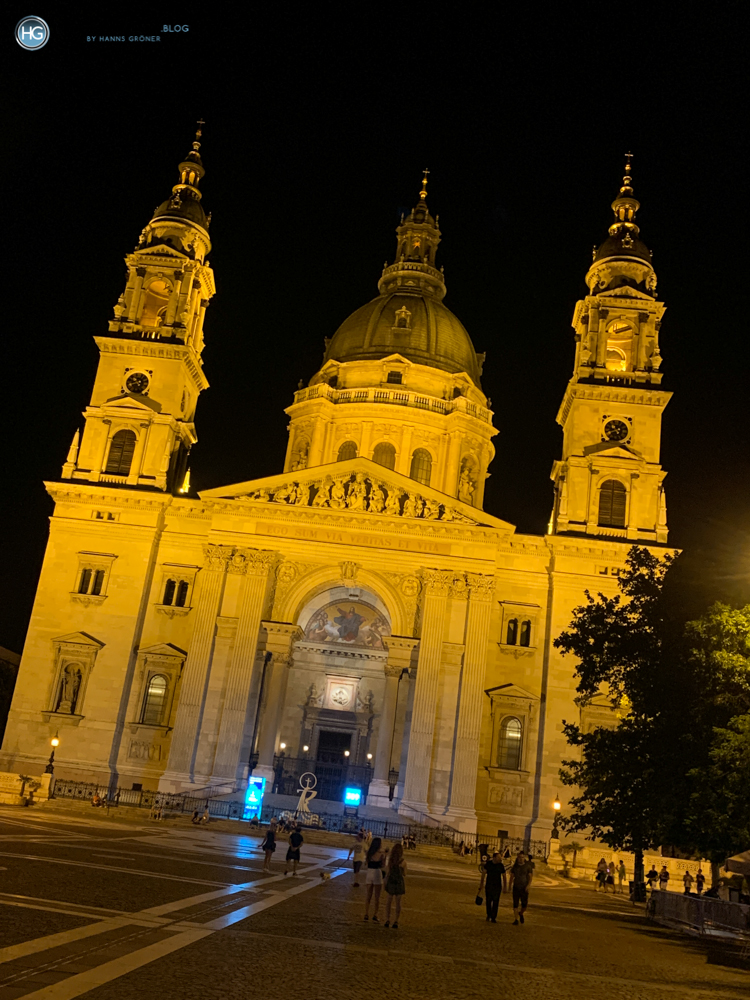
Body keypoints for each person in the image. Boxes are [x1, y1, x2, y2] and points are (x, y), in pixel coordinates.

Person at [384, 842, 407, 928]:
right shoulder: (403, 862)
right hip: (399, 882)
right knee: (398, 903)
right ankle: (396, 921)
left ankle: (387, 919)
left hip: (391, 881)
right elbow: (405, 873)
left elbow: (388, 871)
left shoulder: (391, 860)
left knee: (388, 902)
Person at [363, 837, 386, 922]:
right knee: (377, 896)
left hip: (369, 872)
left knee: (368, 895)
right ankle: (375, 914)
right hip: (377, 873)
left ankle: (366, 913)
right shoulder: (381, 854)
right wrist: (385, 856)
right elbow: (383, 865)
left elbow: (366, 863)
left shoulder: (369, 853)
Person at [509, 850, 534, 925]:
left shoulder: (527, 866)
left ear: (524, 858)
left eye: (522, 857)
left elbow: (530, 876)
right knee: (515, 904)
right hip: (516, 887)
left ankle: (521, 913)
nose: (521, 859)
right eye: (519, 857)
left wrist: (528, 885)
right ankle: (516, 919)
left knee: (524, 904)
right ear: (517, 858)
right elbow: (511, 877)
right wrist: (509, 886)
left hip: (524, 887)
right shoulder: (515, 867)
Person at [484, 851, 508, 923]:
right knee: (488, 901)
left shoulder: (501, 865)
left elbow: (504, 876)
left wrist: (505, 886)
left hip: (497, 886)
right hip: (489, 885)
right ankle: (488, 914)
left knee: (496, 902)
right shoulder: (489, 864)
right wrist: (481, 884)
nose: (500, 859)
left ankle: (493, 917)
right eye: (499, 857)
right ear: (494, 858)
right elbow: (483, 873)